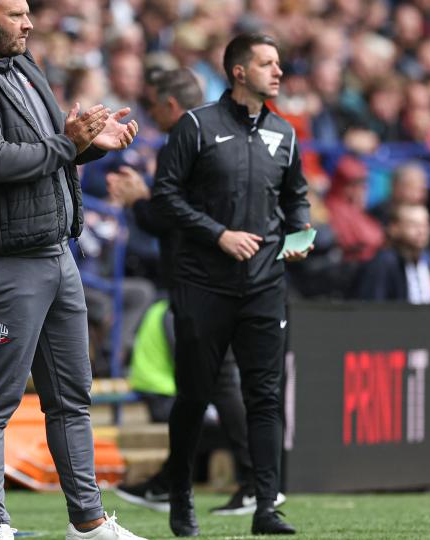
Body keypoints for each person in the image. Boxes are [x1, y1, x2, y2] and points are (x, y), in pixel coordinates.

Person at [0, 1, 144, 539]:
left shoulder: (25, 67)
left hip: (55, 252)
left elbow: (47, 154)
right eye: (16, 14)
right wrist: (69, 143)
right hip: (3, 261)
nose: (29, 22)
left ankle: (88, 525)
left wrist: (88, 147)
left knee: (72, 397)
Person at [151, 33, 310, 536]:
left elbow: (296, 196)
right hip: (204, 285)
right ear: (239, 72)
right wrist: (218, 235)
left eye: (278, 63)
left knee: (265, 395)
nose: (278, 72)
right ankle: (180, 495)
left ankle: (267, 506)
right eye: (267, 63)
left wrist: (302, 231)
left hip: (265, 283)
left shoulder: (284, 133)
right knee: (195, 396)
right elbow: (164, 198)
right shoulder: (195, 126)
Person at [109, 68, 285, 516]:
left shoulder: (190, 138)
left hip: (204, 280)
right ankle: (179, 479)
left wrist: (137, 202)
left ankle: (255, 481)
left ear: (170, 105)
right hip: (221, 276)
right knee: (202, 382)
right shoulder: (221, 133)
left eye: (152, 105)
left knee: (216, 382)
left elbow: (172, 217)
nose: (149, 114)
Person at [356, 204, 430, 303]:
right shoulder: (384, 263)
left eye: (425, 225)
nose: (421, 231)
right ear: (394, 228)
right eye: (413, 225)